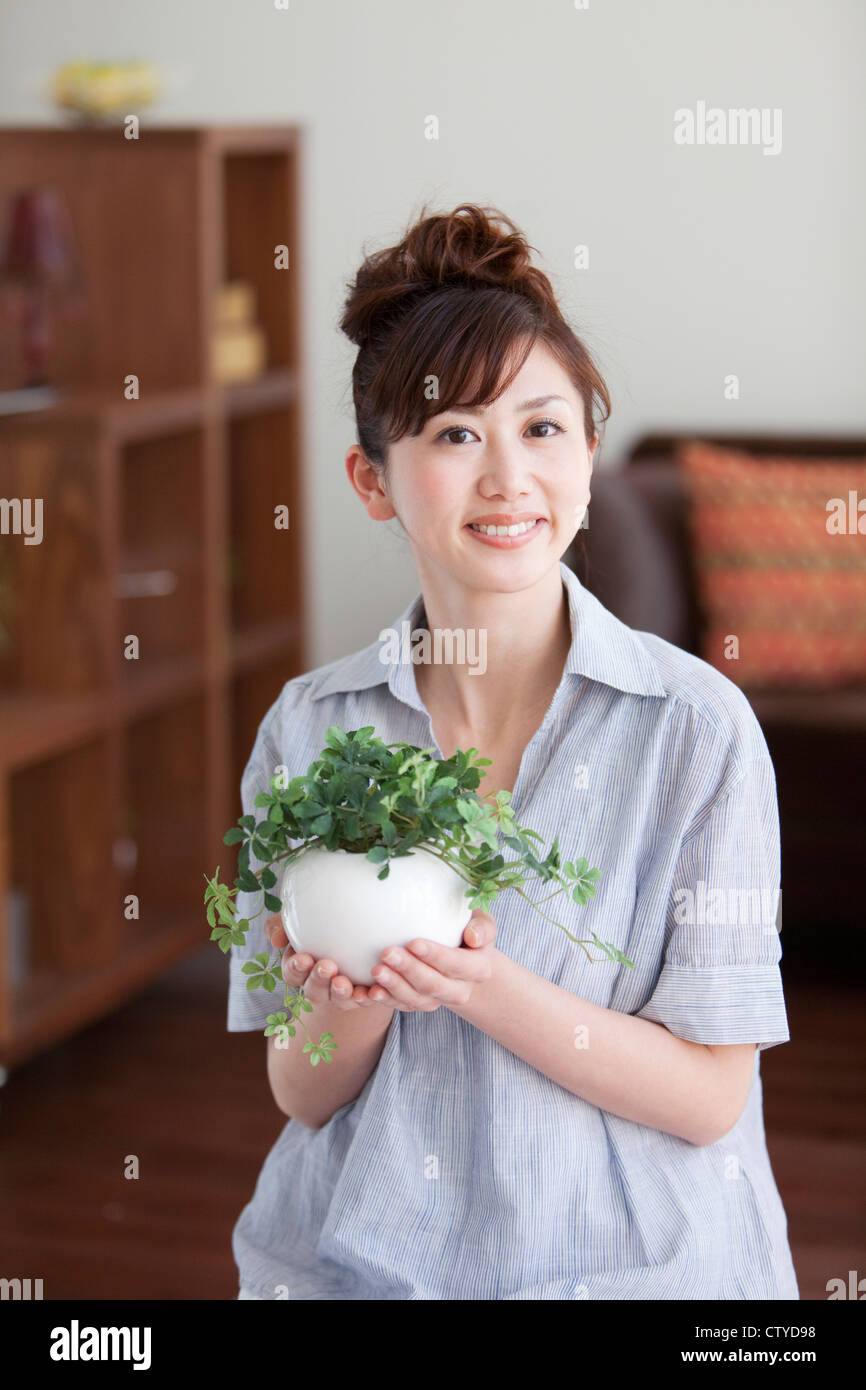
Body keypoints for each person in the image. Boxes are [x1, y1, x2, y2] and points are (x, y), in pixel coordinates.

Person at [228, 202, 799, 1300]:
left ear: (587, 454)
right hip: (359, 1265)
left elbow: (709, 1095)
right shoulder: (308, 730)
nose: (506, 478)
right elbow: (301, 1095)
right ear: (370, 479)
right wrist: (352, 997)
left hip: (636, 1276)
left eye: (541, 427)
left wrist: (482, 986)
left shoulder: (695, 728)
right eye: (453, 434)